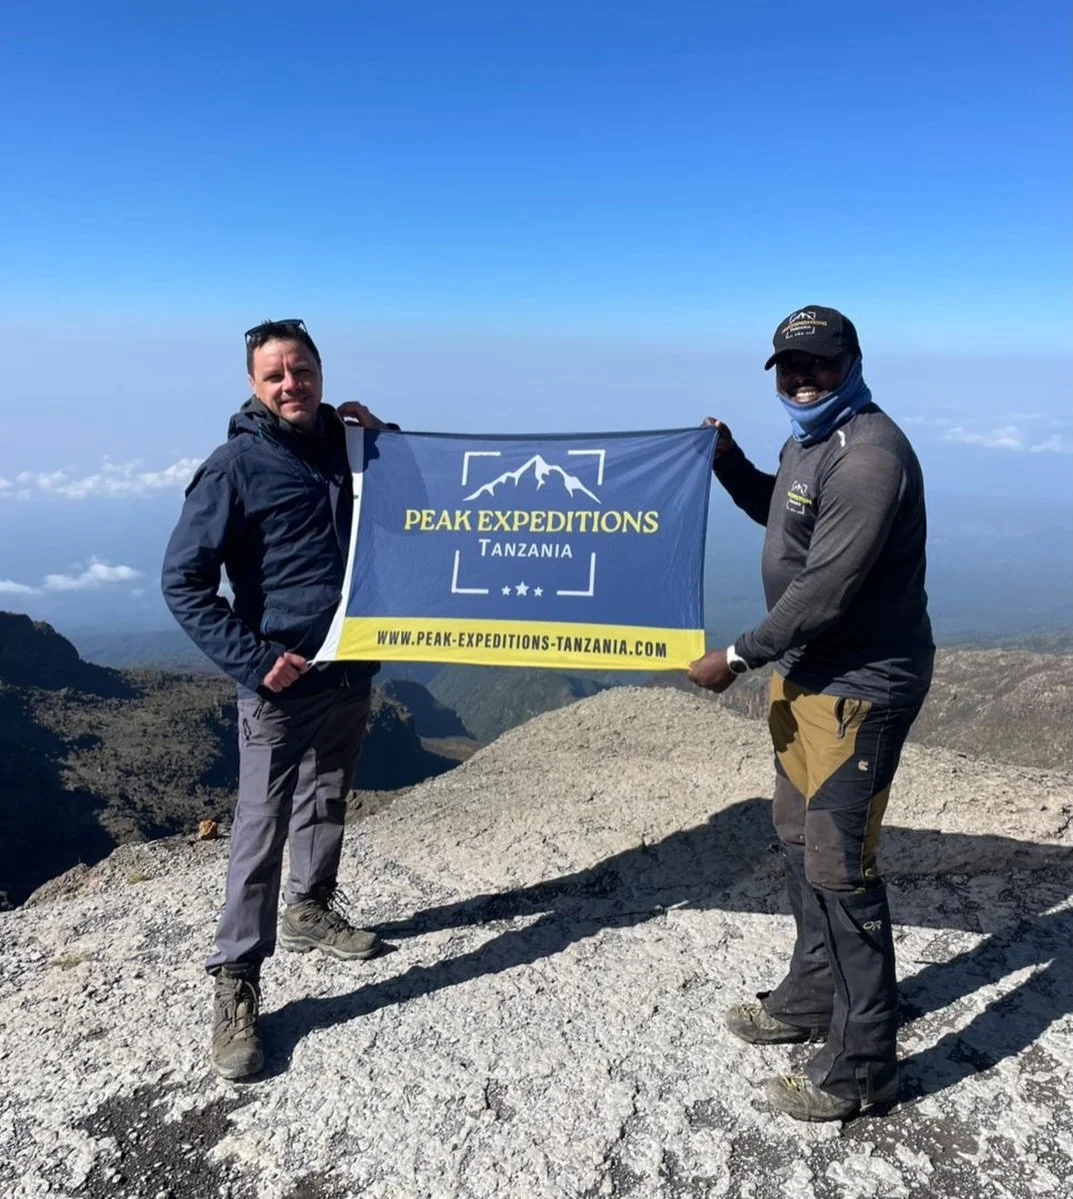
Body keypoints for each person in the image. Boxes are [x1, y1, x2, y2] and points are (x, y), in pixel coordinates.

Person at [688, 306, 933, 1121]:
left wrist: (736, 655)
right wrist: (727, 464)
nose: (800, 379)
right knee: (795, 837)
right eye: (789, 366)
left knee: (839, 864)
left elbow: (826, 586)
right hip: (805, 680)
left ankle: (863, 1065)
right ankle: (808, 997)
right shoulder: (808, 442)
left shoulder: (868, 456)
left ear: (852, 362)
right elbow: (784, 513)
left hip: (856, 688)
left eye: (818, 365)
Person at [162, 318, 396, 1081]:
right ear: (254, 386)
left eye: (301, 370)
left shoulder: (353, 444)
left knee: (328, 795)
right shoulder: (233, 466)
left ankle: (311, 907)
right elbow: (184, 583)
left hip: (349, 668)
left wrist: (386, 438)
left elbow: (428, 512)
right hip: (278, 683)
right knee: (258, 829)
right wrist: (256, 661)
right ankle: (237, 979)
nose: (290, 383)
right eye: (274, 375)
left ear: (321, 373)